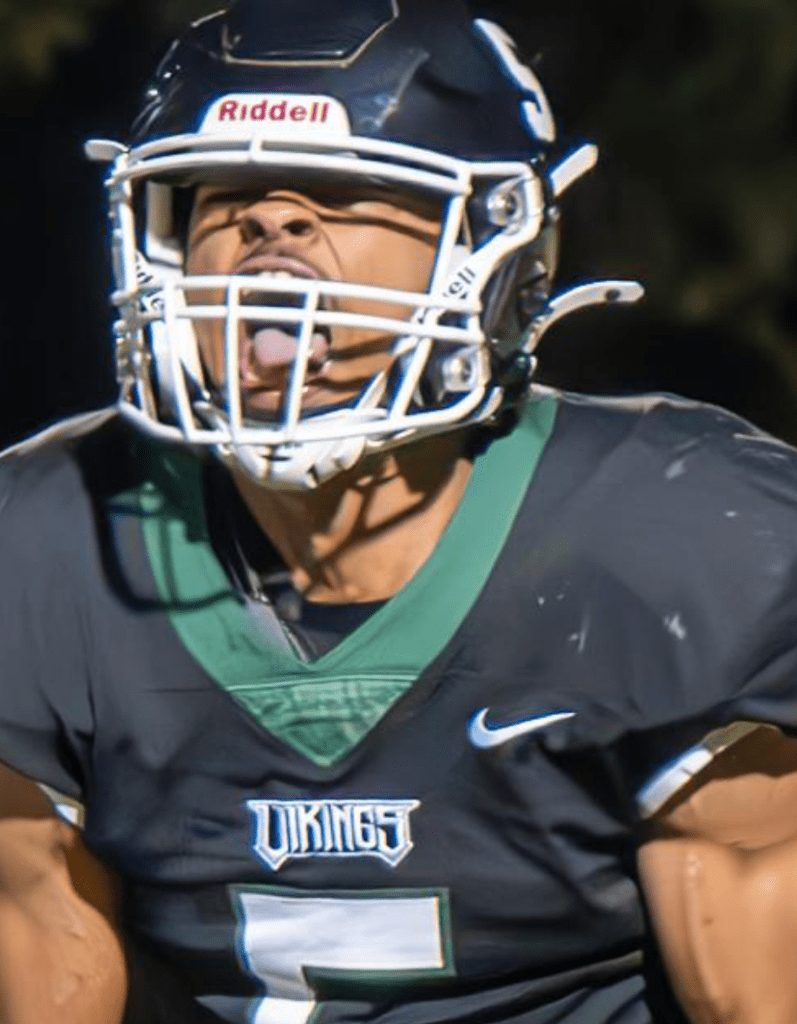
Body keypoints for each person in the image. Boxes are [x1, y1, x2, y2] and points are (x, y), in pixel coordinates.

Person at [2, 1, 797, 1022]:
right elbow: (48, 960)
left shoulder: (685, 535)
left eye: (348, 190)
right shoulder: (40, 541)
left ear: (494, 247)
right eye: (223, 193)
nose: (272, 225)